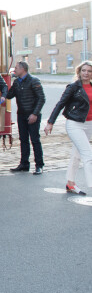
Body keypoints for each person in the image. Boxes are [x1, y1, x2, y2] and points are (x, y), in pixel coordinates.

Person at [44, 60, 92, 195]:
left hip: (89, 124)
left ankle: (70, 183)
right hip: (74, 124)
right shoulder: (73, 87)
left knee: (76, 155)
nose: (86, 73)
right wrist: (50, 122)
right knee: (88, 154)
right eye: (84, 70)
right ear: (79, 72)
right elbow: (60, 104)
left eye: (89, 71)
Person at [5, 61, 45, 174]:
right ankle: (24, 164)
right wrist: (1, 92)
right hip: (21, 115)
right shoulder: (17, 82)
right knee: (23, 140)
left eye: (16, 68)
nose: (14, 70)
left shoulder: (34, 81)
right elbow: (9, 95)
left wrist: (35, 114)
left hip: (32, 115)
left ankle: (39, 165)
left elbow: (41, 99)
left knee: (35, 140)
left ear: (23, 69)